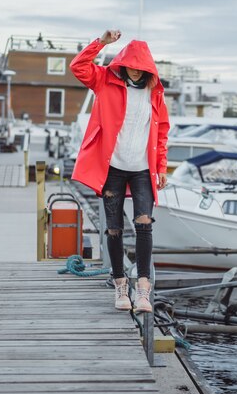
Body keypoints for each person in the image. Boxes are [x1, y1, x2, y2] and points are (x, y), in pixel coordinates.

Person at [70, 29, 169, 313]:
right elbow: (78, 67)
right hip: (112, 168)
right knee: (113, 229)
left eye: (141, 68)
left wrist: (161, 166)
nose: (135, 72)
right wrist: (100, 43)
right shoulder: (104, 81)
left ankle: (142, 292)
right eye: (131, 67)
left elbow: (162, 131)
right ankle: (120, 286)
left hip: (142, 170)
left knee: (144, 225)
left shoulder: (155, 94)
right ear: (123, 64)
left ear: (148, 69)